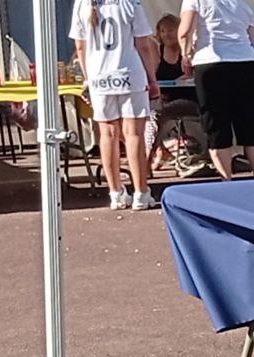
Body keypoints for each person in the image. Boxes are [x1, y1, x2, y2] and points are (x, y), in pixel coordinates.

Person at [69, 0, 161, 211]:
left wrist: (88, 78)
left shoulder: (82, 4)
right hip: (129, 73)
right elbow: (143, 45)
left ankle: (116, 193)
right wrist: (152, 78)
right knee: (133, 134)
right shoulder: (129, 3)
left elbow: (80, 46)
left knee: (107, 134)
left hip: (99, 76)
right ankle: (140, 192)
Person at [179, 0, 254, 179]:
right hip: (245, 61)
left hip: (210, 61)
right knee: (249, 124)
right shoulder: (241, 3)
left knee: (216, 125)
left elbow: (185, 31)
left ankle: (226, 178)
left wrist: (186, 54)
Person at [145, 13, 205, 174]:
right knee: (146, 114)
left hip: (190, 100)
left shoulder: (187, 52)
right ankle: (157, 150)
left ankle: (146, 159)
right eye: (162, 31)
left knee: (155, 114)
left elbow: (192, 77)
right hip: (166, 100)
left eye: (170, 30)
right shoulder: (158, 52)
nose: (166, 34)